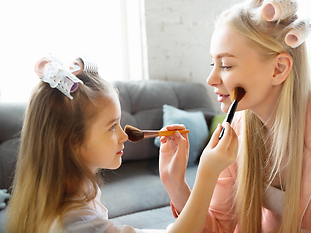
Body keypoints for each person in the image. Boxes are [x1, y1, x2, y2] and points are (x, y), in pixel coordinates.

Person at [159, 0, 311, 232]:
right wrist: (176, 183)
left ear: (278, 69)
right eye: (213, 63)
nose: (211, 79)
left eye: (226, 65)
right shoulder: (235, 129)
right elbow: (218, 228)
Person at [5, 55, 238, 233]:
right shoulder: (74, 223)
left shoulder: (77, 191)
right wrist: (207, 173)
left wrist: (173, 180)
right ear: (71, 141)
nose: (124, 135)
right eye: (111, 126)